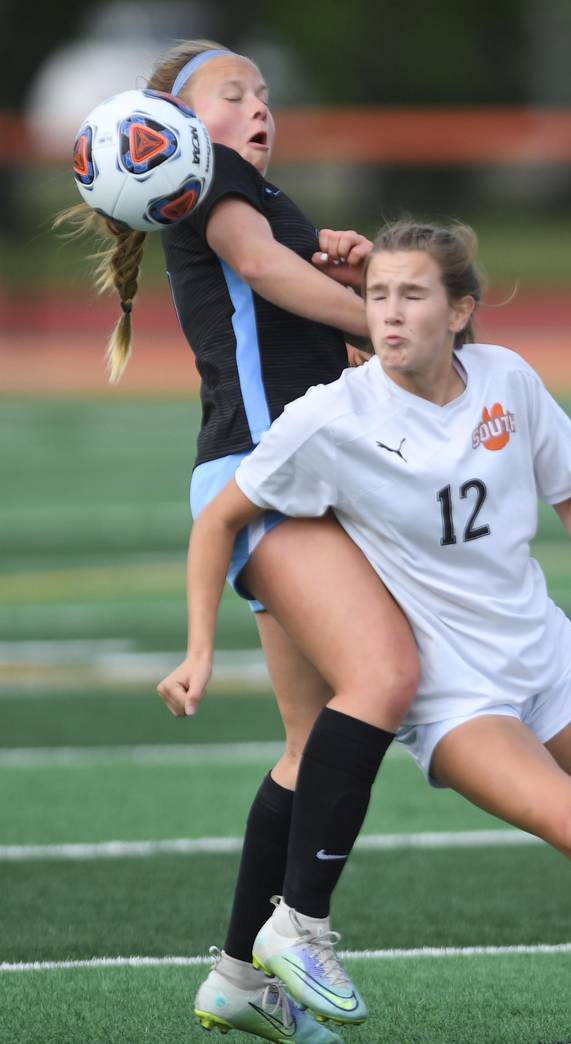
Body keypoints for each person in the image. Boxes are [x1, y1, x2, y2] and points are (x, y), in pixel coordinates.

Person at [170, 219, 571, 1044]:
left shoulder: (508, 379)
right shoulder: (334, 416)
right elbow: (220, 518)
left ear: (460, 311)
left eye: (411, 296)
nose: (387, 314)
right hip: (458, 695)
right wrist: (199, 649)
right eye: (377, 296)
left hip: (549, 658)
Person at [58, 41, 422, 1043]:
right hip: (269, 483)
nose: (260, 106)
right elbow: (263, 270)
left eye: (264, 93)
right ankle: (299, 931)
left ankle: (237, 973)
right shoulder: (209, 179)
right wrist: (395, 329)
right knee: (383, 683)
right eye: (234, 93)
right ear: (170, 124)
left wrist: (351, 285)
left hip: (273, 479)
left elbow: (291, 313)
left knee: (313, 744)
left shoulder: (251, 193)